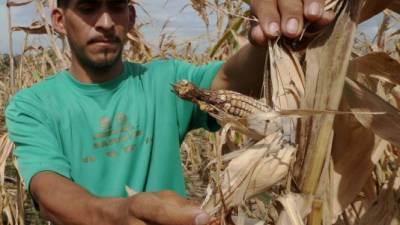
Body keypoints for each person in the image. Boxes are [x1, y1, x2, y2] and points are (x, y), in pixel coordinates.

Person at [4, 0, 389, 224]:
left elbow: (224, 85)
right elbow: (49, 189)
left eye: (118, 7)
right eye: (88, 8)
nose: (105, 22)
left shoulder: (165, 79)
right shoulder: (33, 104)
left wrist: (263, 40)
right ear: (58, 20)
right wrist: (126, 213)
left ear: (131, 18)